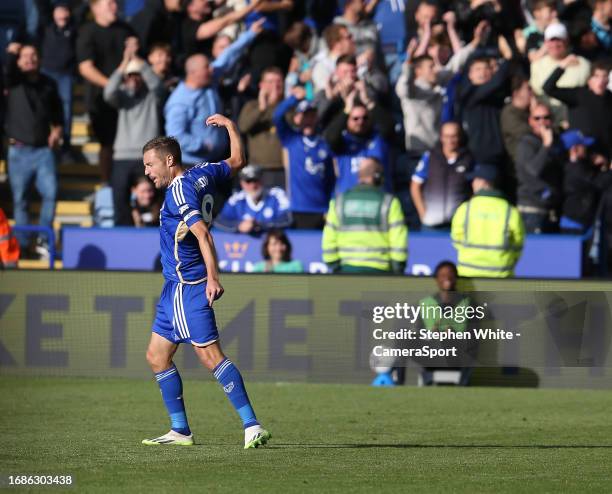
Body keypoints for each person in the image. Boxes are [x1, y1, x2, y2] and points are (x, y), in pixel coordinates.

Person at [140, 115, 271, 448]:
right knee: (157, 355)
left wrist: (213, 277)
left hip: (189, 285)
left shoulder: (180, 191)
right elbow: (238, 160)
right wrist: (230, 125)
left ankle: (251, 425)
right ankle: (180, 430)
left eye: (150, 164)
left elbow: (203, 235)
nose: (146, 171)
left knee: (211, 356)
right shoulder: (202, 173)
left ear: (170, 161)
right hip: (174, 287)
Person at [5, 43, 63, 259]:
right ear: (18, 61)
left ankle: (41, 239)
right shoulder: (13, 82)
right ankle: (22, 244)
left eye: (33, 55)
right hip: (18, 150)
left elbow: (58, 114)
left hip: (42, 151)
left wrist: (57, 131)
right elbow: (7, 71)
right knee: (20, 200)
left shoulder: (49, 84)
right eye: (24, 56)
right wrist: (11, 53)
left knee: (51, 193)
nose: (29, 59)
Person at [77, 0, 137, 183]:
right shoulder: (87, 32)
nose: (115, 7)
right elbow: (85, 68)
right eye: (109, 3)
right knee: (108, 144)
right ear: (95, 8)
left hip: (128, 98)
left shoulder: (126, 29)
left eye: (115, 3)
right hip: (100, 100)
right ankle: (107, 184)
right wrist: (112, 85)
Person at [103, 51, 164, 226]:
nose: (134, 79)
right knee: (120, 199)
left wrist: (141, 65)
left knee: (156, 196)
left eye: (137, 76)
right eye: (130, 76)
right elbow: (108, 92)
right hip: (122, 156)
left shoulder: (152, 96)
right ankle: (124, 234)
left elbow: (158, 86)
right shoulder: (121, 97)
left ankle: (157, 230)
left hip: (150, 156)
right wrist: (123, 65)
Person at [322, 158, 407, 273]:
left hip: (345, 269)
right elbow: (398, 239)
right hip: (380, 270)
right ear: (377, 176)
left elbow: (329, 237)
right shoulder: (389, 202)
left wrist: (334, 265)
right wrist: (397, 267)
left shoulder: (339, 201)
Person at [273, 87, 335, 229]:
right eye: (305, 116)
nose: (308, 120)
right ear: (298, 118)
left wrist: (330, 205)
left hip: (322, 209)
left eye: (311, 116)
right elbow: (277, 117)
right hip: (298, 208)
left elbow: (331, 179)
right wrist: (293, 99)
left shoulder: (324, 144)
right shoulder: (291, 139)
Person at [451, 164, 524, 278]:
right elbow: (518, 244)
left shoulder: (465, 209)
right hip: (500, 276)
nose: (472, 183)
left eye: (475, 180)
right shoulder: (510, 211)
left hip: (468, 275)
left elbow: (456, 239)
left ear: (484, 183)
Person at [417, 261, 474, 386]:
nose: (446, 278)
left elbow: (473, 338)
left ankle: (463, 383)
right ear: (436, 279)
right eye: (442, 275)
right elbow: (419, 335)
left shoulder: (467, 304)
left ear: (456, 278)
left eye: (450, 275)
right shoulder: (426, 304)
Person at [543, 60, 612, 161]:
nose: (600, 81)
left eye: (604, 76)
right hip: (579, 157)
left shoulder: (610, 98)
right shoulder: (578, 94)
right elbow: (548, 88)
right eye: (596, 76)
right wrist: (563, 65)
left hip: (605, 157)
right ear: (589, 80)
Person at [410, 122, 473, 231]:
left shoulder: (468, 159)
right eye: (446, 136)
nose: (450, 140)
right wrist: (423, 213)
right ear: (441, 137)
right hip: (431, 224)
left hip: (457, 224)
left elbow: (474, 188)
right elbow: (415, 186)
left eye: (454, 136)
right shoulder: (430, 157)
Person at [529, 22, 591, 127]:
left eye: (559, 40)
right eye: (551, 40)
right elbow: (535, 95)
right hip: (549, 122)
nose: (555, 44)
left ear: (567, 41)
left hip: (576, 118)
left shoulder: (583, 64)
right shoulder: (536, 66)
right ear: (545, 42)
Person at [515, 103, 565, 233]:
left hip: (551, 208)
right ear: (530, 121)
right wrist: (546, 146)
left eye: (546, 117)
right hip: (532, 209)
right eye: (537, 118)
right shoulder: (526, 143)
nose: (542, 122)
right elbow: (534, 170)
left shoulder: (557, 142)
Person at [40, 2, 77, 162]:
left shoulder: (74, 28)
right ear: (53, 14)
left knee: (67, 109)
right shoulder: (47, 26)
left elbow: (84, 8)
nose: (63, 15)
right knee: (43, 107)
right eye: (59, 11)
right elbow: (41, 6)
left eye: (65, 11)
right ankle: (45, 142)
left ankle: (65, 146)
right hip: (46, 73)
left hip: (65, 75)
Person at [237, 66, 285, 187]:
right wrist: (262, 109)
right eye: (270, 82)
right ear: (261, 85)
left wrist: (276, 104)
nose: (275, 85)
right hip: (258, 168)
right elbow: (243, 126)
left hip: (283, 168)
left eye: (278, 81)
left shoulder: (289, 106)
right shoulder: (252, 105)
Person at [560, 130, 612, 234]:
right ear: (574, 149)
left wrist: (602, 165)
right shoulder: (575, 168)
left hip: (581, 221)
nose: (586, 149)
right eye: (583, 146)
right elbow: (599, 182)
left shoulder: (580, 166)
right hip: (575, 223)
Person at [214, 165, 292, 234]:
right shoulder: (236, 200)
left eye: (255, 180)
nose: (253, 185)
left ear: (262, 180)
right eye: (248, 181)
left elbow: (287, 219)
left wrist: (260, 225)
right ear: (242, 183)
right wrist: (239, 226)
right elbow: (219, 221)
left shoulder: (276, 195)